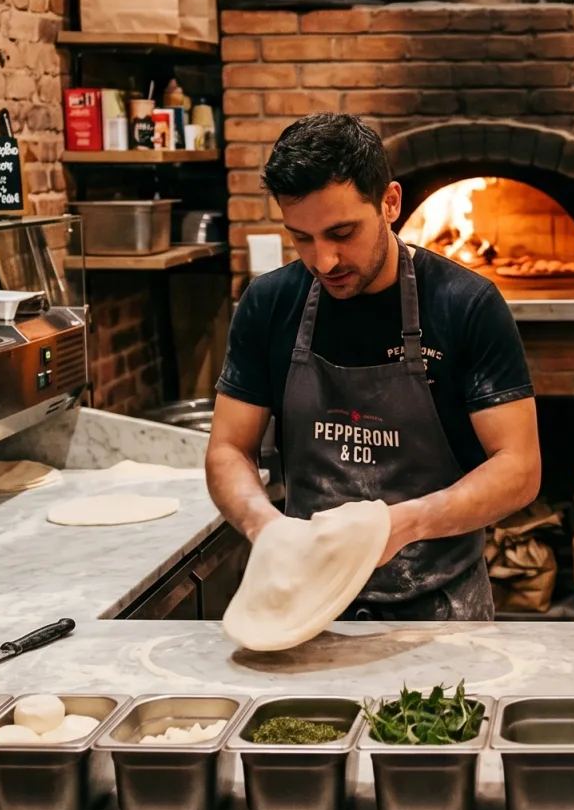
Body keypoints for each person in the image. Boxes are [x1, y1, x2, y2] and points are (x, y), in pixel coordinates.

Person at [204, 114, 541, 620]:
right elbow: (228, 447)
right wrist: (264, 527)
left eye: (342, 232)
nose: (323, 260)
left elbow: (520, 468)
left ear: (390, 202)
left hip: (440, 605)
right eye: (303, 238)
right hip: (307, 602)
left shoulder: (464, 304)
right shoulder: (269, 303)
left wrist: (402, 524)